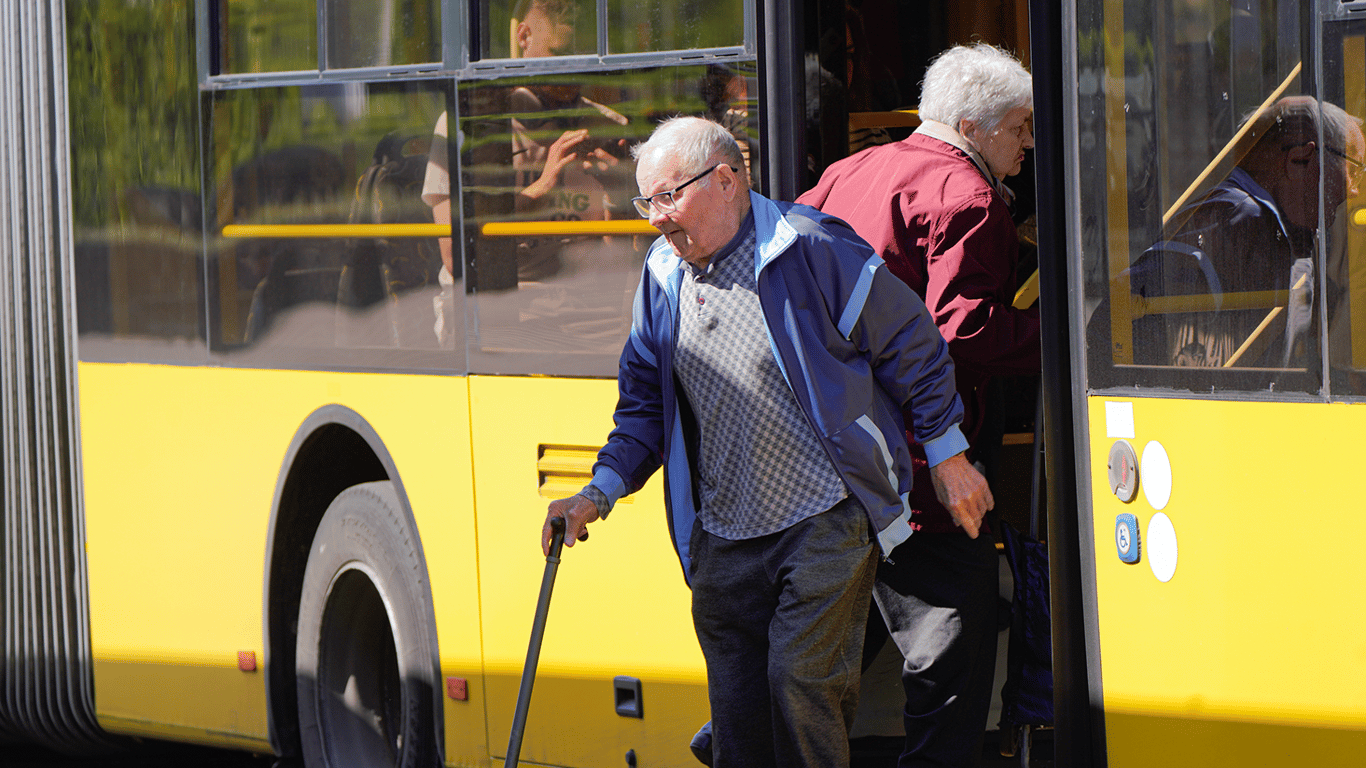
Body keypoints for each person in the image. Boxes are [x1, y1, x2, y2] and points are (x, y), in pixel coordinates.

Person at [542, 116, 993, 768]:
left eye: (668, 197)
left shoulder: (810, 250)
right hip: (723, 541)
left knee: (799, 688)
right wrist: (595, 495)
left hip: (823, 520)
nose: (655, 219)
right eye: (646, 201)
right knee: (739, 722)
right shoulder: (663, 274)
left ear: (726, 180)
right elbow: (642, 407)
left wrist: (948, 454)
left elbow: (911, 343)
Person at [797, 43, 1042, 767]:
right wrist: (1063, 335)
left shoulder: (850, 170)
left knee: (851, 619)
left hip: (840, 454)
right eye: (1020, 126)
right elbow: (962, 327)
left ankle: (744, 734)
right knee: (951, 660)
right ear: (973, 125)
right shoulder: (966, 195)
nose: (1029, 142)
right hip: (925, 470)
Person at [1128, 96, 1364, 369]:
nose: (1354, 190)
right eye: (1353, 171)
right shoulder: (1239, 220)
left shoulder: (1277, 227)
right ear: (1300, 158)